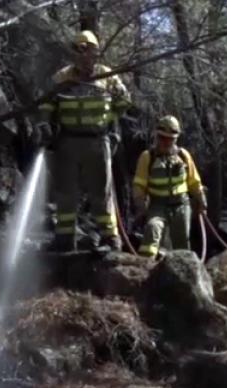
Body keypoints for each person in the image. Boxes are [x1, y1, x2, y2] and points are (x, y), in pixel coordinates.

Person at [35, 30, 131, 253]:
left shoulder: (107, 77)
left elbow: (124, 103)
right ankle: (65, 238)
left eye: (87, 49)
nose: (82, 54)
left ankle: (110, 238)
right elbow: (47, 104)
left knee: (101, 192)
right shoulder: (62, 77)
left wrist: (111, 119)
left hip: (98, 142)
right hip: (68, 142)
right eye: (78, 50)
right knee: (65, 192)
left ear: (95, 52)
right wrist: (44, 124)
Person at [132, 115, 206, 258]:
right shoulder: (147, 157)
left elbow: (194, 181)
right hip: (157, 205)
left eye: (170, 139)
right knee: (152, 228)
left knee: (182, 243)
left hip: (181, 205)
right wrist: (140, 204)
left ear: (176, 139)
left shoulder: (183, 156)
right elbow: (139, 184)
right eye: (162, 138)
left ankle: (184, 269)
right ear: (157, 137)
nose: (166, 142)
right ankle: (145, 264)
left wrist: (201, 199)